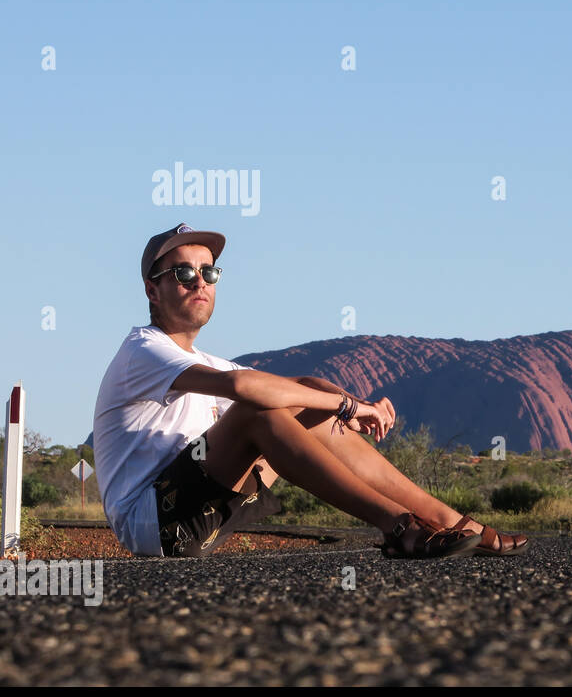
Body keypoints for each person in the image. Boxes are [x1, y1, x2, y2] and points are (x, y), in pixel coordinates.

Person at [91, 222, 530, 559]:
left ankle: (446, 520)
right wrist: (345, 404)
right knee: (255, 408)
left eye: (209, 271)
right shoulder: (143, 351)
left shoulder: (205, 362)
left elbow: (297, 388)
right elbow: (245, 387)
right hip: (153, 523)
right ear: (152, 288)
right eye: (184, 271)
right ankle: (399, 527)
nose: (200, 281)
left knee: (296, 404)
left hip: (197, 517)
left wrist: (344, 408)